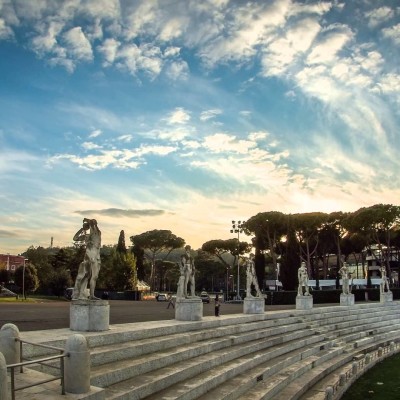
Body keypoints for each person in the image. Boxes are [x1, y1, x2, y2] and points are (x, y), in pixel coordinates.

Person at [72, 218, 101, 300]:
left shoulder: (98, 233)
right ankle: (81, 294)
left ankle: (91, 295)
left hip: (96, 257)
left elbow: (93, 224)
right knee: (86, 275)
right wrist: (82, 229)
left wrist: (88, 221)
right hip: (89, 256)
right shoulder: (86, 236)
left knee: (94, 276)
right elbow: (75, 238)